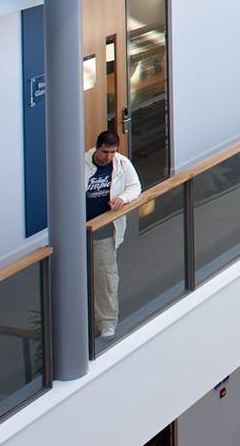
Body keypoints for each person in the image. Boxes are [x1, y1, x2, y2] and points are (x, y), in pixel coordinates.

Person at [84, 129, 142, 340]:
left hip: (104, 231)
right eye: (105, 152)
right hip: (79, 233)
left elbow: (135, 187)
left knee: (106, 276)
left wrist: (123, 199)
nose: (109, 157)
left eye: (112, 152)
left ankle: (107, 321)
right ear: (97, 148)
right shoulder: (82, 164)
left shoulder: (121, 164)